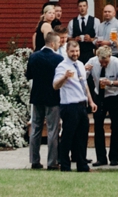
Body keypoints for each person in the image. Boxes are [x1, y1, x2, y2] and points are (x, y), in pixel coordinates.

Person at [52, 43, 92, 171]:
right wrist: (64, 77)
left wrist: (91, 101)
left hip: (82, 104)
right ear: (67, 51)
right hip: (69, 105)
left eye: (77, 51)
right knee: (68, 137)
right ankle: (65, 165)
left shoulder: (80, 64)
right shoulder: (62, 66)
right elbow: (55, 85)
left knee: (82, 136)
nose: (75, 53)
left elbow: (84, 84)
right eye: (72, 51)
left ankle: (82, 165)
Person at [29, 26, 63, 170]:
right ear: (53, 44)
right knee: (52, 130)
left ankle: (34, 160)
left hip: (37, 96)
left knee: (36, 128)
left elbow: (29, 75)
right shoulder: (58, 58)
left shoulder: (34, 56)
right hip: (53, 97)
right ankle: (52, 162)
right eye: (59, 43)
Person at [91, 38, 118, 164]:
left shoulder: (117, 63)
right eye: (101, 62)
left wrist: (111, 82)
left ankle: (114, 157)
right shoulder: (92, 61)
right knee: (98, 126)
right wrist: (84, 69)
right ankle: (101, 158)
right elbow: (81, 77)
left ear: (109, 57)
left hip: (114, 95)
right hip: (99, 95)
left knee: (115, 126)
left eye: (105, 62)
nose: (103, 65)